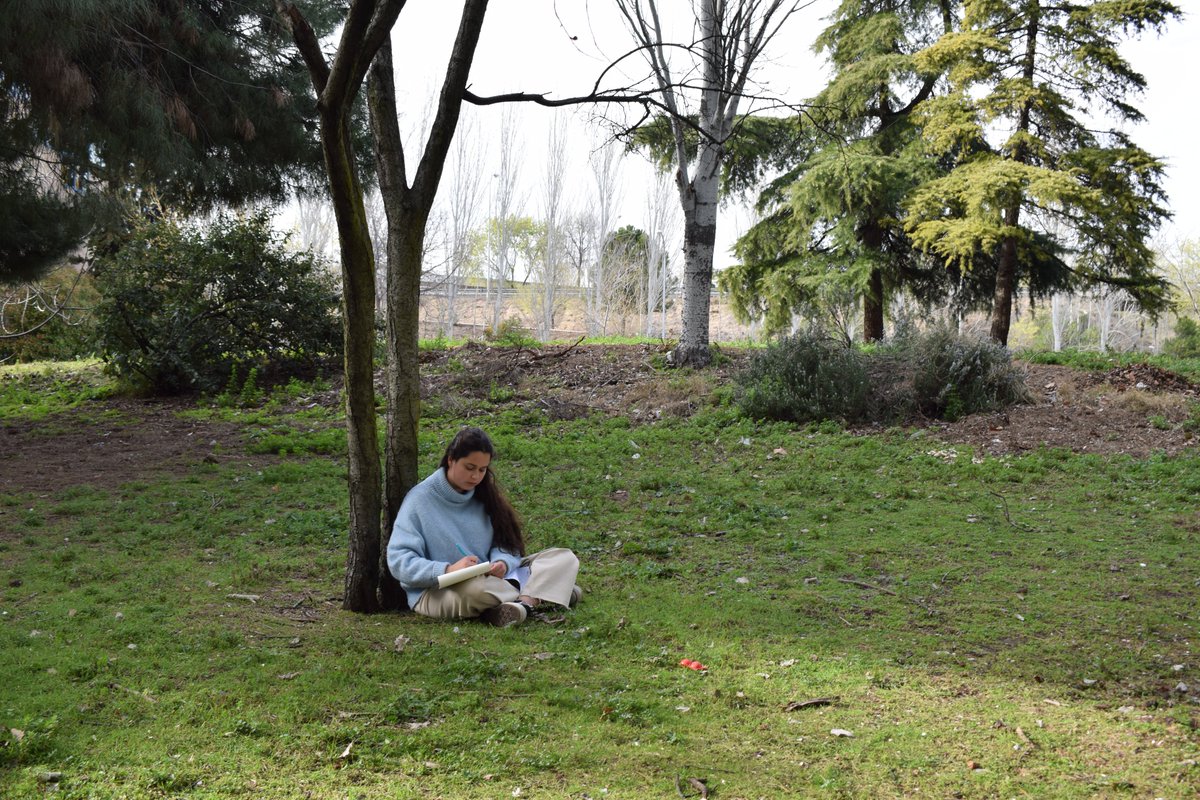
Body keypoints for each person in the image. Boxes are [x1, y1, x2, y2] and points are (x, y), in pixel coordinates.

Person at [387, 426, 581, 627]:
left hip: (496, 579)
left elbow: (507, 545)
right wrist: (448, 569)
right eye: (469, 467)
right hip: (439, 591)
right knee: (477, 590)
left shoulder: (485, 496)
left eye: (482, 470)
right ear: (451, 460)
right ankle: (547, 592)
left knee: (563, 558)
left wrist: (502, 563)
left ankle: (525, 602)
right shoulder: (419, 500)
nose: (476, 477)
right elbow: (399, 562)